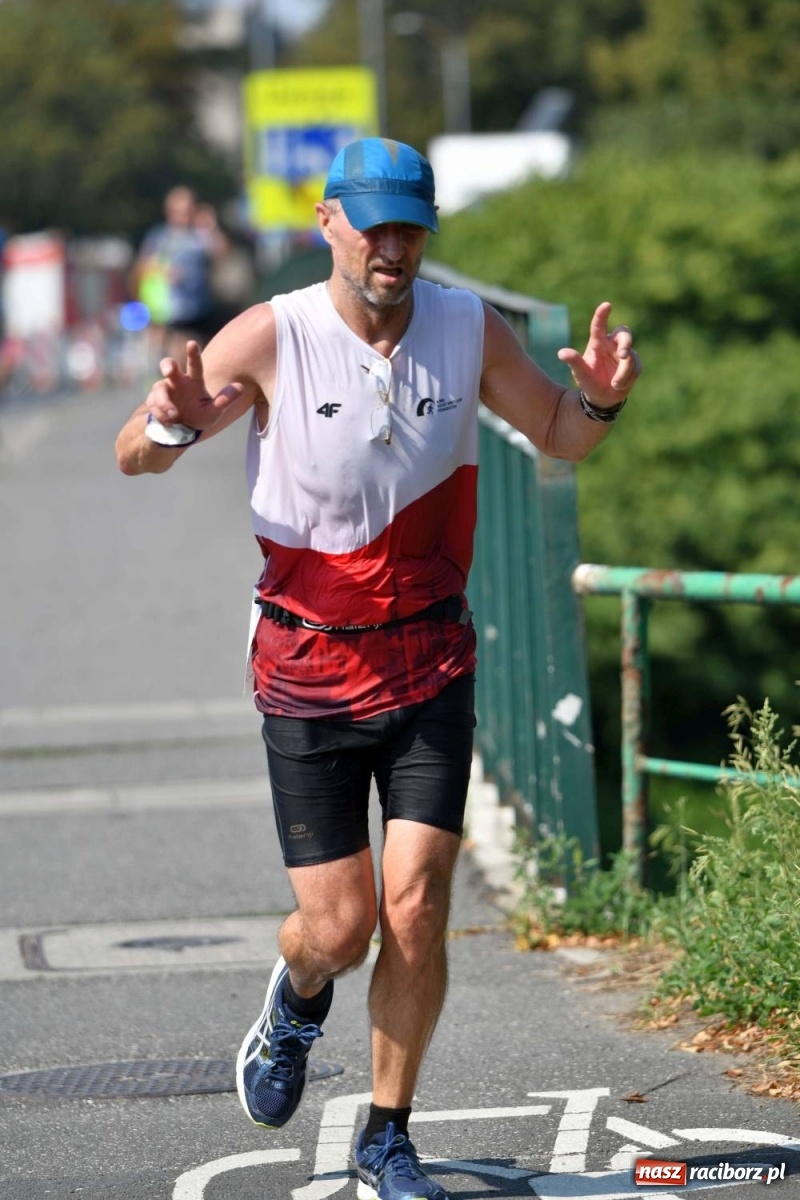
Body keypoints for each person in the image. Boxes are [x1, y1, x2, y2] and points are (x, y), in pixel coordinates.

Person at [115, 137, 641, 1200]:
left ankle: (385, 1134)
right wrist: (171, 418)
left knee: (417, 904)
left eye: (409, 227)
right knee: (341, 927)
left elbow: (553, 434)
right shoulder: (274, 333)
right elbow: (134, 449)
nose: (392, 247)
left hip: (431, 654)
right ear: (330, 224)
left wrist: (590, 402)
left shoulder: (464, 326)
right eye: (373, 225)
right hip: (306, 666)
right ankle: (296, 997)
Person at [132, 186, 227, 362]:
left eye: (188, 210)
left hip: (201, 307)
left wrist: (211, 226)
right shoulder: (161, 237)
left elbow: (222, 253)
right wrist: (163, 271)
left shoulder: (200, 234)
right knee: (182, 351)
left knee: (208, 355)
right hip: (174, 310)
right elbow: (142, 267)